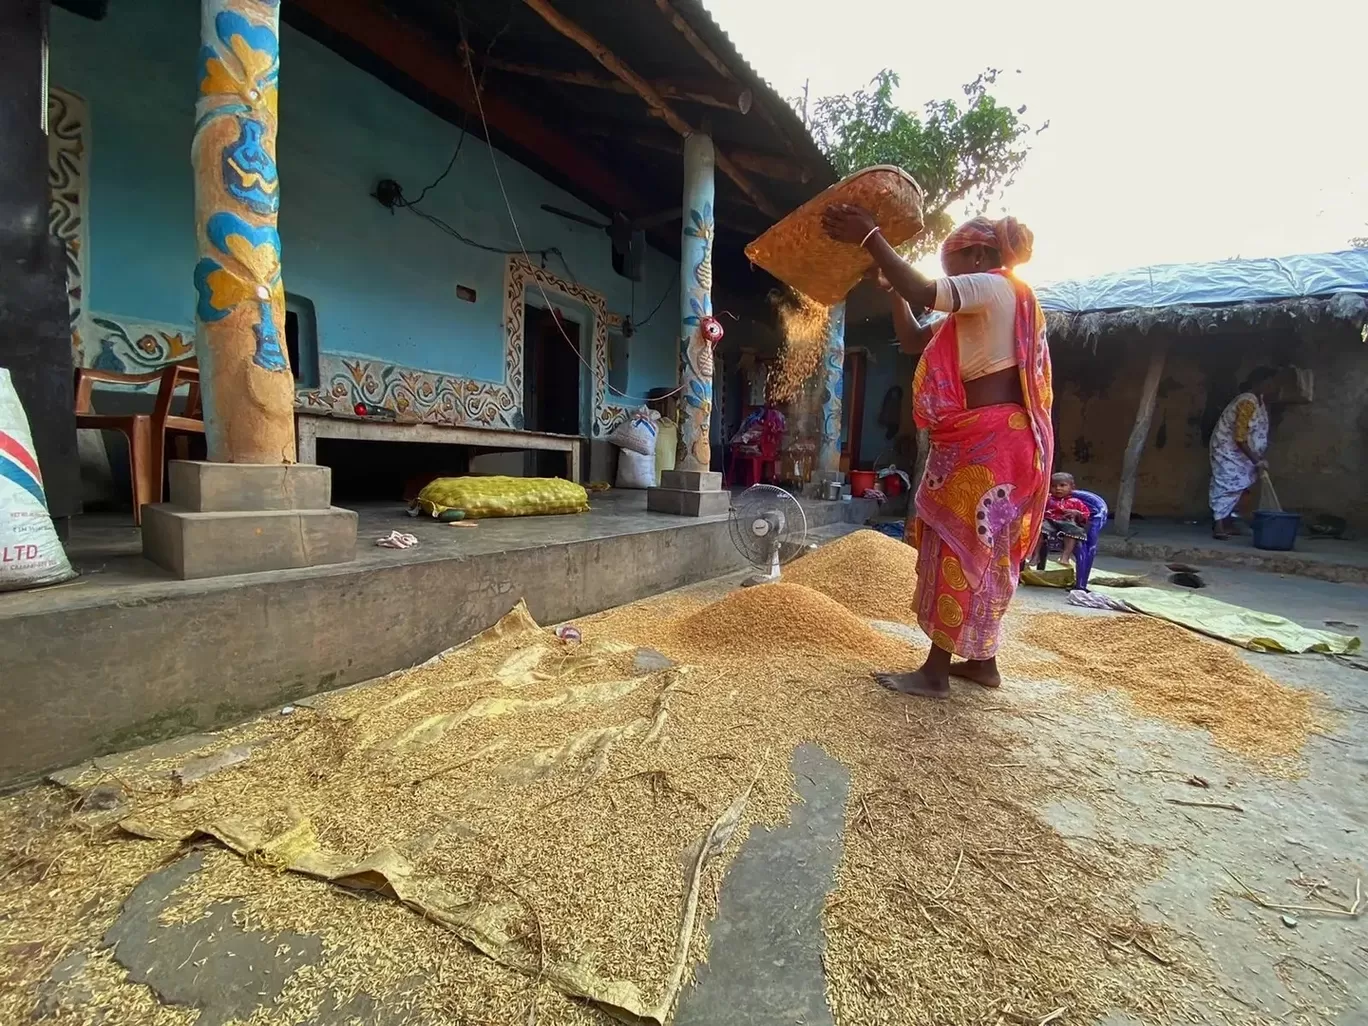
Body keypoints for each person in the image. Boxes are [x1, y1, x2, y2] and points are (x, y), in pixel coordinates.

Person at [822, 205, 1053, 698]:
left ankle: (934, 672)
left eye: (955, 264)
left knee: (958, 542)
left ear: (976, 254)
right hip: (1006, 441)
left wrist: (872, 237)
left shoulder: (994, 285)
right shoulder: (997, 305)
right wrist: (890, 290)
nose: (953, 278)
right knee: (988, 550)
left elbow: (925, 290)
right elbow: (911, 338)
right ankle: (984, 660)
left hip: (987, 442)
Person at [1209, 368, 1277, 539]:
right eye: (1268, 383)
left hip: (1241, 451)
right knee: (1226, 485)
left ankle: (1228, 523)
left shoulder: (1258, 401)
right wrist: (1256, 460)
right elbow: (1239, 437)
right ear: (1258, 383)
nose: (1271, 387)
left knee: (1239, 487)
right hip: (1228, 449)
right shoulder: (1247, 402)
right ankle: (1219, 526)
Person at [1034, 472, 1091, 565]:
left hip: (1067, 523)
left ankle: (1065, 557)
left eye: (1062, 485)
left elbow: (1086, 514)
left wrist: (1076, 513)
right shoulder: (1048, 499)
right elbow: (1038, 509)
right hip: (1049, 522)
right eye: (1053, 486)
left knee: (1073, 531)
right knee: (1038, 530)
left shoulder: (1075, 502)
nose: (1058, 488)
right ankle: (1035, 556)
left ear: (1072, 487)